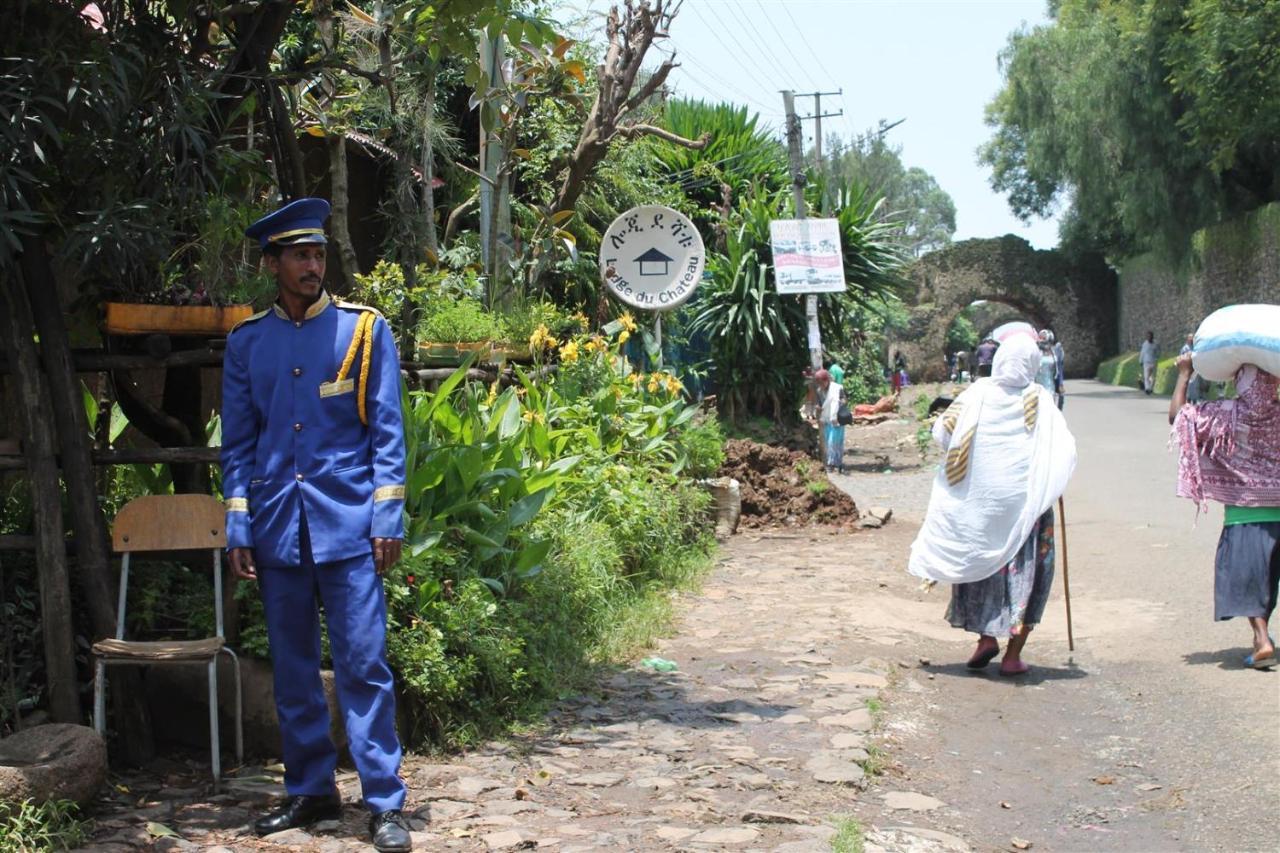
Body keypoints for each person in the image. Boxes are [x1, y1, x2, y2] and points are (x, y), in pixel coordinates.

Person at [221, 198, 413, 851]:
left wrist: (387, 511)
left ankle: (384, 801)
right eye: (299, 255)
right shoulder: (247, 342)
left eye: (318, 254)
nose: (312, 265)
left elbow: (387, 430)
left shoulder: (364, 331)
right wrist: (239, 523)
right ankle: (309, 790)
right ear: (273, 262)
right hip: (278, 527)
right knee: (294, 667)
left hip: (350, 526)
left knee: (363, 663)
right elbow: (239, 444)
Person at [908, 334, 1077, 675]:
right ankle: (1012, 657)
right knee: (1026, 574)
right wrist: (1052, 479)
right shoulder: (1039, 399)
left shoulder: (977, 394)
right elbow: (1064, 450)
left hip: (982, 505)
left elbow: (942, 433)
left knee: (985, 566)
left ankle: (986, 638)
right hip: (1027, 509)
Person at [1170, 353, 1280, 669]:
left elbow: (1178, 416)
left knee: (1250, 579)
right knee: (1269, 580)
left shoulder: (1226, 413)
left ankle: (1261, 639)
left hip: (1246, 513)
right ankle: (1262, 637)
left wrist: (1184, 374)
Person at [815, 368, 846, 473]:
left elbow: (844, 399)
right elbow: (820, 404)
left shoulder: (837, 388)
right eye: (818, 383)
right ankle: (833, 462)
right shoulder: (819, 391)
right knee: (829, 442)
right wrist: (818, 408)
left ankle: (834, 463)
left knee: (835, 442)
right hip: (827, 419)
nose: (820, 385)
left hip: (836, 419)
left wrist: (840, 403)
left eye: (821, 382)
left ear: (826, 380)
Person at [1179, 333, 1204, 403]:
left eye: (1192, 339)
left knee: (1195, 384)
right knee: (1189, 385)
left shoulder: (1195, 347)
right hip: (1187, 368)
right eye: (1190, 339)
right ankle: (1188, 398)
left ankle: (1195, 398)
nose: (1191, 340)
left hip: (1194, 368)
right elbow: (1181, 357)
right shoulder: (1185, 348)